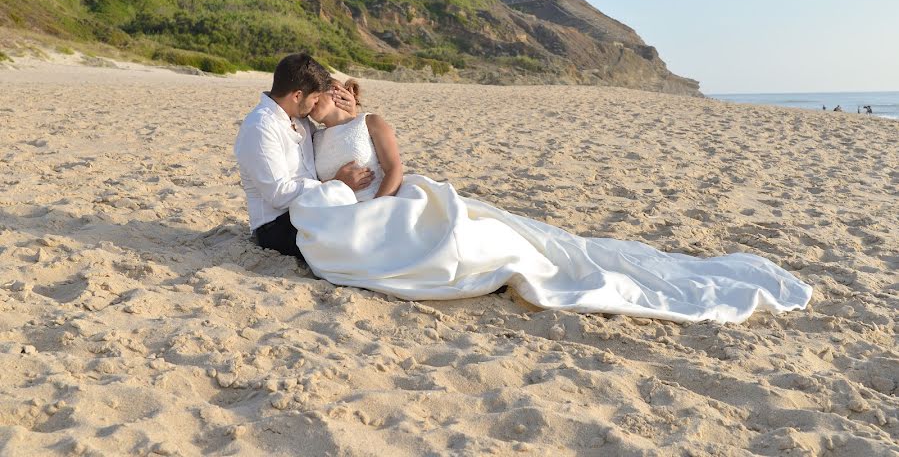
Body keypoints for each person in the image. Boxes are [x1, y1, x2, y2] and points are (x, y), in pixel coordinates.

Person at [289, 80, 813, 324]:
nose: (338, 97)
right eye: (329, 92)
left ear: (355, 98)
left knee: (489, 241)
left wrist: (376, 200)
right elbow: (318, 181)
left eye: (345, 91)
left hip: (395, 195)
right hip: (353, 207)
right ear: (313, 102)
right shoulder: (310, 137)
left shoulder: (370, 122)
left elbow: (395, 168)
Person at [233, 53, 374, 258]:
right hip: (277, 225)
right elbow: (279, 194)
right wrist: (335, 184)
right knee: (358, 242)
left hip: (314, 209)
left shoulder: (300, 122)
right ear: (297, 96)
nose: (315, 104)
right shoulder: (261, 127)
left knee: (374, 225)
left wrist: (350, 115)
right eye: (315, 98)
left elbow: (331, 147)